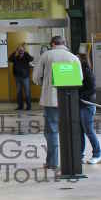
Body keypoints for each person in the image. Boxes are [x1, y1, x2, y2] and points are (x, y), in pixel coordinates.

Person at [35, 36, 79, 171]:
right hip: (69, 100)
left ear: (53, 44)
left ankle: (52, 162)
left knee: (52, 131)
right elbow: (80, 78)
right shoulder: (73, 57)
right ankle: (72, 161)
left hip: (51, 100)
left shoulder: (46, 55)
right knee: (69, 130)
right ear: (64, 44)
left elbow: (36, 76)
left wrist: (43, 84)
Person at [77, 51, 101, 165]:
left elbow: (92, 89)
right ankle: (79, 155)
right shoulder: (79, 72)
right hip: (80, 104)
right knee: (80, 131)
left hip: (87, 105)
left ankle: (97, 154)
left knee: (89, 131)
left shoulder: (87, 72)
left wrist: (80, 96)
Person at [10, 44, 34, 110]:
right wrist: (15, 52)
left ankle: (28, 106)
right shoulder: (16, 57)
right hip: (17, 77)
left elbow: (31, 59)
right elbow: (10, 59)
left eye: (22, 49)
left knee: (27, 92)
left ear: (24, 50)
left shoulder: (26, 56)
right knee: (19, 92)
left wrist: (25, 52)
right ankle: (20, 106)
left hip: (25, 77)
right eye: (19, 50)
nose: (20, 51)